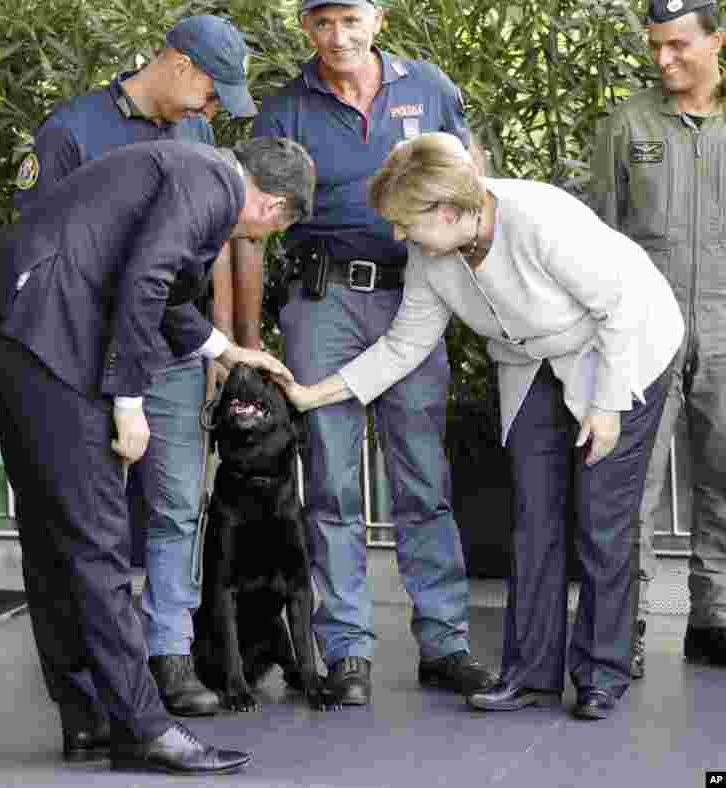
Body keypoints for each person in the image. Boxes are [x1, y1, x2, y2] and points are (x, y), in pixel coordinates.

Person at [280, 132, 682, 719]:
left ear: (446, 210)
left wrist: (608, 406)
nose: (397, 236)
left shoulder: (541, 218)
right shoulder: (432, 253)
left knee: (602, 516)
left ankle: (602, 674)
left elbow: (620, 308)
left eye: (404, 222)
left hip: (623, 350)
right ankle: (530, 674)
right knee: (534, 516)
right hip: (531, 361)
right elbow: (404, 344)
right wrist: (317, 392)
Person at [0, 136, 315, 774]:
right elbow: (148, 279)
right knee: (97, 535)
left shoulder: (185, 168)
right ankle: (142, 727)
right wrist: (129, 400)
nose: (256, 238)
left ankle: (89, 716)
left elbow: (154, 284)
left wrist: (222, 350)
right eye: (271, 229)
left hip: (6, 324)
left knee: (52, 533)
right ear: (274, 205)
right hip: (46, 335)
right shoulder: (214, 184)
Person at [232, 0, 495, 705]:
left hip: (418, 294)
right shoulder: (286, 108)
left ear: (377, 18)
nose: (337, 37)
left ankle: (446, 643)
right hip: (324, 302)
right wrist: (250, 343)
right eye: (322, 23)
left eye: (350, 19)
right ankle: (346, 650)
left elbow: (474, 184)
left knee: (424, 476)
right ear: (306, 29)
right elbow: (251, 229)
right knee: (332, 483)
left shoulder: (430, 88)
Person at [11, 14, 262, 719]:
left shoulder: (198, 135)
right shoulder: (71, 131)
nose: (214, 111)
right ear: (179, 65)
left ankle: (169, 652)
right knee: (94, 519)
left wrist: (217, 344)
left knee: (178, 501)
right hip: (87, 355)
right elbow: (40, 254)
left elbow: (203, 254)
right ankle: (98, 672)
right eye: (213, 93)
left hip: (172, 348)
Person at [590, 0, 726, 674]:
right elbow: (598, 237)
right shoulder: (629, 123)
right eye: (654, 47)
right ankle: (626, 626)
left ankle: (716, 619)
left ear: (716, 40)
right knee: (630, 486)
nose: (663, 59)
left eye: (677, 45)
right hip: (647, 331)